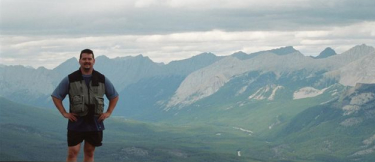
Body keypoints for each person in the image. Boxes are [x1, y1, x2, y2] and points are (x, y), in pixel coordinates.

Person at [51, 49, 119, 162]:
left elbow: (114, 96)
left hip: (95, 121)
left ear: (94, 61)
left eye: (89, 59)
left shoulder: (101, 79)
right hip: (76, 121)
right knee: (73, 152)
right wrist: (64, 113)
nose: (87, 61)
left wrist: (108, 112)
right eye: (84, 59)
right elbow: (56, 96)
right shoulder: (71, 79)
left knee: (89, 152)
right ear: (79, 61)